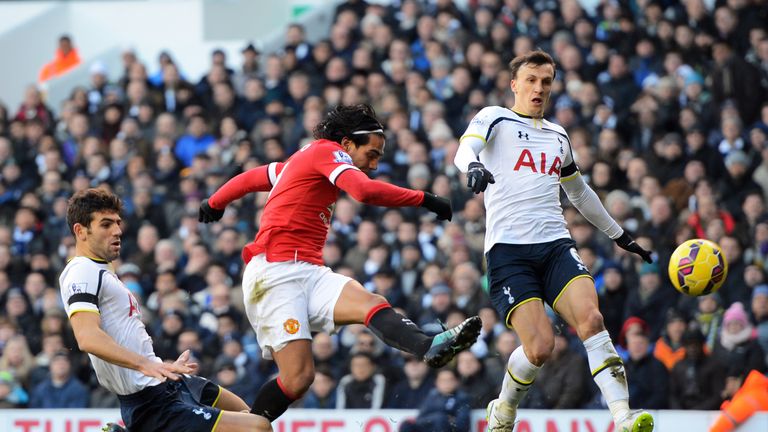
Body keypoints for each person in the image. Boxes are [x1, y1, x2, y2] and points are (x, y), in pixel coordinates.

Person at [199, 103, 482, 423]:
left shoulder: (299, 161)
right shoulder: (325, 152)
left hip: (307, 270)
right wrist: (424, 198)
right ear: (347, 144)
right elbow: (363, 191)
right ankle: (246, 427)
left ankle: (427, 347)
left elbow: (254, 177)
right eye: (372, 154)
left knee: (371, 302)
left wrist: (214, 202)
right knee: (298, 378)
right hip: (274, 273)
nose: (374, 165)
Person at [454, 50, 655, 432]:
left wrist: (620, 235)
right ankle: (505, 409)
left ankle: (623, 417)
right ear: (514, 84)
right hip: (508, 253)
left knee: (593, 320)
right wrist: (474, 166)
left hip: (555, 246)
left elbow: (578, 194)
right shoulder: (495, 117)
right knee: (541, 348)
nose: (538, 88)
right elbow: (466, 148)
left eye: (546, 81)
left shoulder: (558, 135)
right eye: (531, 80)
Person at [59, 188, 272, 432]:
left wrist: (156, 363)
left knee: (247, 412)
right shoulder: (81, 271)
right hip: (151, 403)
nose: (117, 231)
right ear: (80, 231)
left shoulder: (103, 272)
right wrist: (146, 365)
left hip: (167, 381)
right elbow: (87, 338)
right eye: (105, 224)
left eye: (117, 223)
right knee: (258, 427)